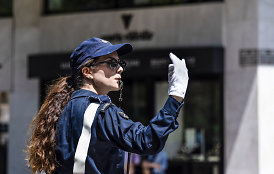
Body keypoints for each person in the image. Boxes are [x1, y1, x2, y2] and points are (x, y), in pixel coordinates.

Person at [26, 37, 189, 174]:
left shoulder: (63, 107)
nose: (120, 69)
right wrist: (176, 95)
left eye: (120, 63)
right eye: (112, 63)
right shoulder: (98, 110)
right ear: (87, 71)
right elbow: (147, 141)